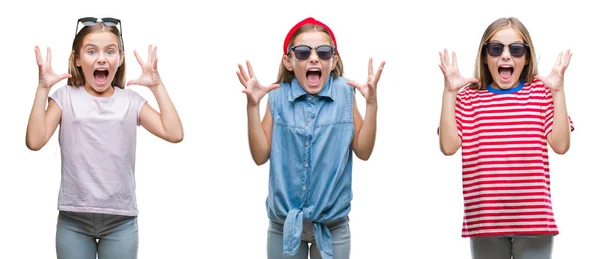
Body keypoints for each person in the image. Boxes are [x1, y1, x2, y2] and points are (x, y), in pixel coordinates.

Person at [25, 17, 183, 259]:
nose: (101, 58)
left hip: (120, 221)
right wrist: (42, 88)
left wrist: (157, 85)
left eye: (110, 51)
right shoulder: (64, 97)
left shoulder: (130, 101)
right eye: (91, 51)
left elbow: (174, 133)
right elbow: (35, 141)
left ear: (119, 59)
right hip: (73, 219)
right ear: (77, 59)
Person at [236, 17, 385, 259]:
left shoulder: (345, 92)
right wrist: (252, 107)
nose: (314, 58)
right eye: (303, 52)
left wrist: (372, 104)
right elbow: (260, 155)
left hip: (332, 225)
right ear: (289, 61)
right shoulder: (277, 95)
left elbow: (364, 151)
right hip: (283, 225)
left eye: (323, 52)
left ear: (333, 60)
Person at [437, 17, 574, 259]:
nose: (506, 56)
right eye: (496, 48)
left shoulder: (540, 93)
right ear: (485, 56)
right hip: (486, 222)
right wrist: (450, 93)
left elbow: (561, 145)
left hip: (534, 222)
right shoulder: (469, 98)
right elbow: (448, 147)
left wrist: (558, 92)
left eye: (516, 49)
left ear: (527, 57)